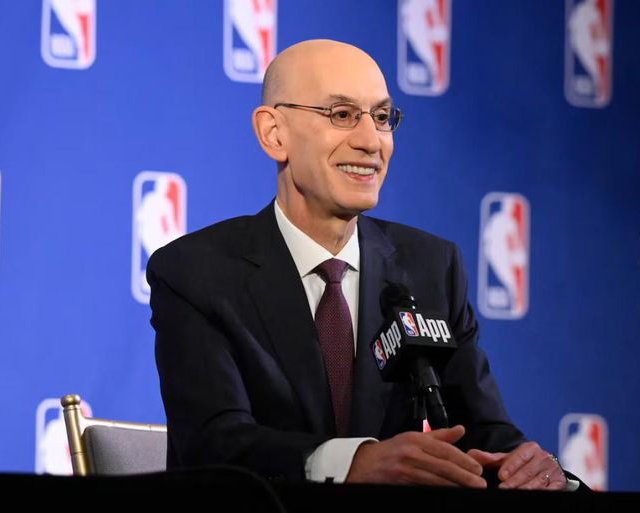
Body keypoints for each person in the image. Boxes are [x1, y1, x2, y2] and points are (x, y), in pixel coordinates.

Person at [147, 39, 579, 490]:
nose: (371, 141)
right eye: (342, 114)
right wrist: (353, 462)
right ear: (274, 133)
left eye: (382, 117)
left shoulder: (432, 267)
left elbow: (484, 433)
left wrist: (530, 467)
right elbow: (214, 443)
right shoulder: (196, 272)